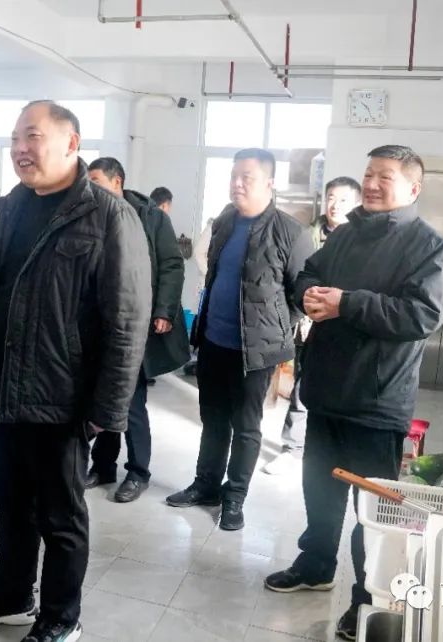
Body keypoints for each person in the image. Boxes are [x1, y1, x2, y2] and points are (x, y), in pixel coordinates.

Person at [0, 101, 150, 642]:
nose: (20, 148)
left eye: (33, 136)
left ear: (71, 143)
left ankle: (62, 616)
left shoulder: (109, 216)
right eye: (15, 138)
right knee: (9, 501)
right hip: (5, 387)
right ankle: (13, 596)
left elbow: (126, 321)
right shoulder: (15, 206)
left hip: (63, 396)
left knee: (61, 516)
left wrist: (107, 411)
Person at [263, 145, 443, 641]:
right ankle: (315, 565)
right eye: (369, 174)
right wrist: (308, 293)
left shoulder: (428, 245)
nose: (371, 184)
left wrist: (346, 303)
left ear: (412, 188)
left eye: (384, 177)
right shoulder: (347, 233)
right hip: (326, 390)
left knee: (372, 514)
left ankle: (367, 599)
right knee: (319, 492)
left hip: (377, 400)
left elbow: (421, 315)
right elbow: (310, 272)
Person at [166, 148, 314, 531]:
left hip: (256, 351)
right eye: (233, 176)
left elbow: (301, 295)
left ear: (269, 183)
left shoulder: (291, 232)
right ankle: (206, 486)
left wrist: (275, 329)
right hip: (213, 340)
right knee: (213, 419)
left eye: (246, 177)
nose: (237, 184)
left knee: (246, 426)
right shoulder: (225, 221)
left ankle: (234, 497)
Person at [86, 157, 191, 503]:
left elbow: (172, 265)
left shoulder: (151, 218)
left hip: (136, 324)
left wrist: (164, 310)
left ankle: (138, 472)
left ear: (117, 181)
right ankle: (103, 466)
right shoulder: (91, 214)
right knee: (103, 396)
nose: (90, 187)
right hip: (102, 323)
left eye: (96, 181)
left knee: (130, 400)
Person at [263, 176, 361, 475]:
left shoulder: (363, 240)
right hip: (308, 325)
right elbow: (295, 280)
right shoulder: (307, 235)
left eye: (343, 200)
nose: (335, 205)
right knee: (303, 387)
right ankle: (293, 449)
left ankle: (336, 452)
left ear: (357, 203)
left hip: (349, 327)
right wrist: (302, 315)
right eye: (331, 198)